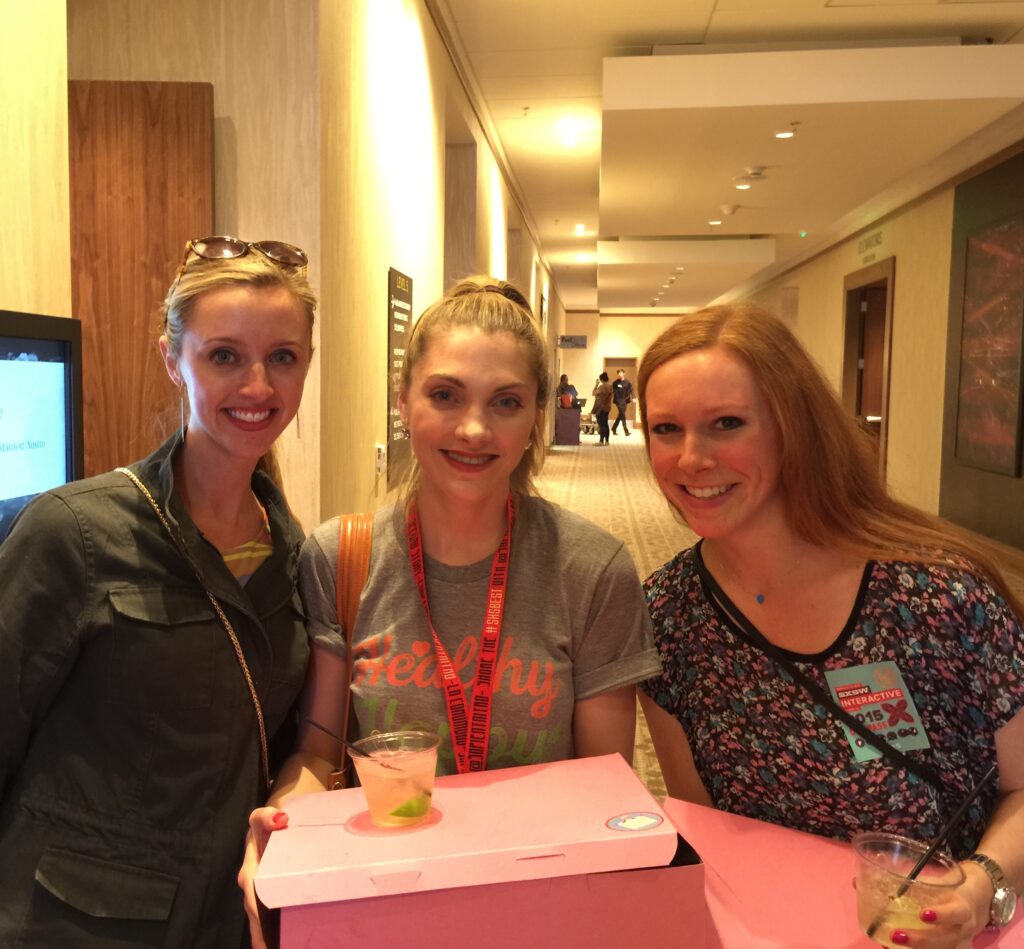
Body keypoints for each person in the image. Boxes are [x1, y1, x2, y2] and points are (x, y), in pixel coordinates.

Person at [239, 276, 660, 946]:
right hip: (383, 903)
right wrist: (283, 825)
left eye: (506, 402)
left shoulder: (590, 570)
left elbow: (604, 787)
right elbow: (318, 752)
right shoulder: (341, 558)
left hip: (537, 906)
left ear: (536, 416)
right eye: (445, 395)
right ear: (403, 400)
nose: (473, 429)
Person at [636, 303, 1024, 949]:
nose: (692, 458)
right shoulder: (667, 613)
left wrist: (983, 884)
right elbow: (702, 823)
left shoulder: (938, 594)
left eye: (727, 423)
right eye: (666, 429)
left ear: (793, 428)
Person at [0, 237, 316, 947]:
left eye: (282, 357)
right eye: (224, 355)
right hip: (67, 928)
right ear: (173, 360)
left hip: (226, 922)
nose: (258, 385)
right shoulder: (75, 534)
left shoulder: (299, 558)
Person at [611, 368, 633, 436]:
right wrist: (618, 400)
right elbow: (614, 392)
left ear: (624, 373)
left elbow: (631, 390)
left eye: (621, 373)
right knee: (623, 415)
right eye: (618, 373)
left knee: (620, 415)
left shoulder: (627, 382)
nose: (619, 374)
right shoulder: (615, 383)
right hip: (618, 401)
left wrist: (633, 397)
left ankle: (614, 428)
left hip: (625, 401)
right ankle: (626, 431)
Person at [592, 371, 612, 445]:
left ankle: (601, 441)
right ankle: (607, 441)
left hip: (600, 407)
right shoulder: (610, 387)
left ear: (601, 380)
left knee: (601, 424)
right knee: (605, 424)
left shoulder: (602, 387)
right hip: (607, 407)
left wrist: (596, 384)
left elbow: (593, 393)